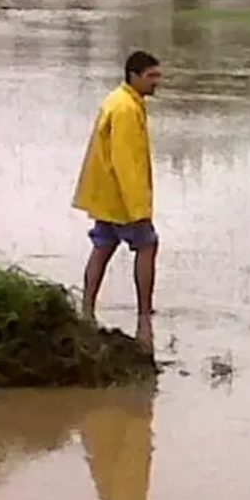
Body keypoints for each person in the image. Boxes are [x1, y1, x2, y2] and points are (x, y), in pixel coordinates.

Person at [72, 51, 163, 350]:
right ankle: (144, 315)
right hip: (122, 199)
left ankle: (87, 309)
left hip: (106, 196)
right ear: (134, 76)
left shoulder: (118, 100)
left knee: (103, 246)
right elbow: (127, 162)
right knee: (147, 245)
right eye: (151, 76)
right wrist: (139, 209)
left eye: (157, 76)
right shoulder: (126, 109)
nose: (156, 82)